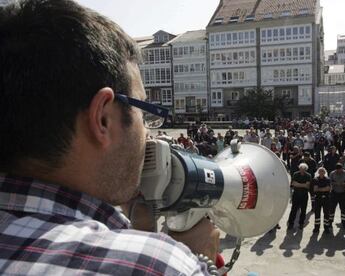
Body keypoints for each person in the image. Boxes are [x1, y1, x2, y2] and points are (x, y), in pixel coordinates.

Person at [0, 1, 218, 274]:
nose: (148, 132)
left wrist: (138, 232)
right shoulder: (158, 265)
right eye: (144, 112)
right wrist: (195, 259)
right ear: (103, 119)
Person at [287, 163, 312, 230]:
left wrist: (298, 184)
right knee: (293, 210)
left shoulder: (308, 175)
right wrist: (303, 185)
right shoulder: (295, 174)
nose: (302, 170)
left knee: (303, 210)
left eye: (303, 169)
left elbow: (307, 186)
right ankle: (291, 223)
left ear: (306, 169)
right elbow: (293, 184)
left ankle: (301, 223)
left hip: (304, 195)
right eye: (301, 169)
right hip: (296, 194)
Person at [329, 163, 345, 229]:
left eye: (340, 170)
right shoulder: (332, 173)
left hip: (343, 193)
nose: (339, 171)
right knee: (332, 209)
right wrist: (335, 183)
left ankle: (344, 223)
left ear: (342, 168)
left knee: (343, 209)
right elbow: (329, 182)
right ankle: (330, 222)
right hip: (334, 193)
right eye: (337, 170)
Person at [312, 167, 331, 234]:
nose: (321, 172)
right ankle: (316, 227)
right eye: (320, 171)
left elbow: (328, 189)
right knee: (317, 214)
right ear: (318, 172)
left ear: (325, 172)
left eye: (323, 171)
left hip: (326, 199)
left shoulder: (328, 179)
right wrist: (324, 188)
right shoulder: (315, 179)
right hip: (318, 198)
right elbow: (315, 189)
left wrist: (319, 188)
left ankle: (326, 227)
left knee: (326, 214)